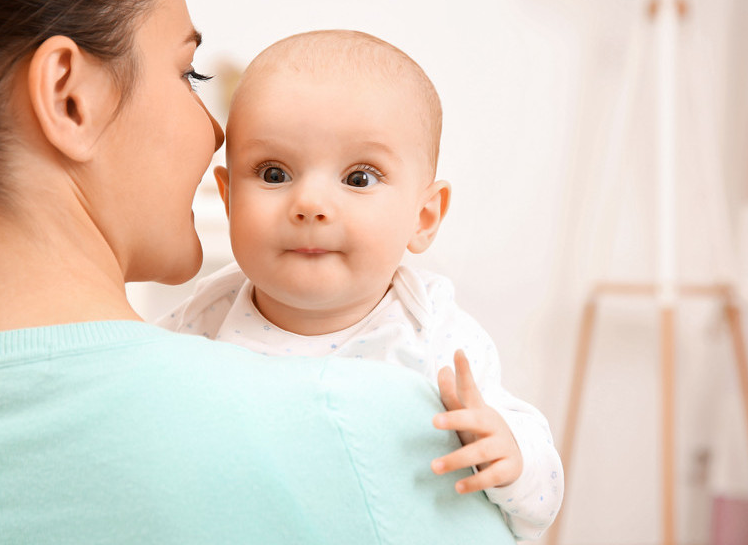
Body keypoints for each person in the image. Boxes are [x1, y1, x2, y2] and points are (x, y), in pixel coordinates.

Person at [0, 0, 517, 543]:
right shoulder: (377, 429)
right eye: (188, 73)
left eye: (359, 177)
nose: (216, 133)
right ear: (70, 97)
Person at [158, 30, 563, 540]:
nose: (309, 203)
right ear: (229, 196)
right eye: (274, 172)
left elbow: (542, 497)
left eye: (359, 178)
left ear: (424, 216)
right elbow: (136, 403)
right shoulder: (204, 317)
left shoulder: (432, 331)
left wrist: (511, 456)